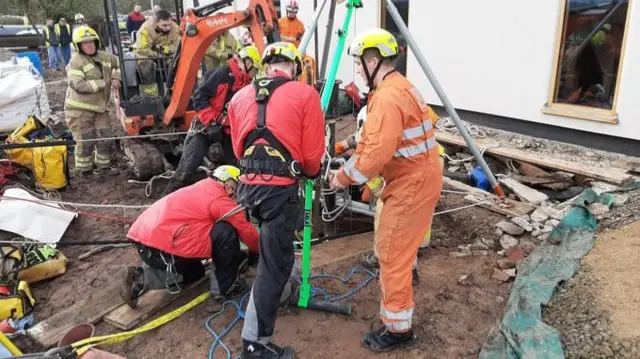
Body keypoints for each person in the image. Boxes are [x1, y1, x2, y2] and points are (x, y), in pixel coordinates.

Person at [329, 28, 443, 352]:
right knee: (401, 249)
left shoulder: (386, 97)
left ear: (373, 60)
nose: (356, 70)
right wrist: (349, 147)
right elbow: (379, 139)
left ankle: (397, 329)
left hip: (411, 182)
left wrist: (341, 177)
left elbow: (374, 157)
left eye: (357, 62)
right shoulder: (402, 87)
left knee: (391, 253)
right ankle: (406, 287)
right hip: (422, 174)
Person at [228, 42, 324, 358]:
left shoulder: (240, 97)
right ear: (293, 68)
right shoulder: (305, 94)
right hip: (279, 192)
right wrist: (309, 172)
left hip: (249, 190)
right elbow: (311, 158)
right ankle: (255, 344)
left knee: (271, 258)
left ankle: (260, 323)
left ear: (266, 67)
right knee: (275, 264)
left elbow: (239, 151)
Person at [123, 166, 259, 310]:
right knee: (226, 231)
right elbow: (247, 231)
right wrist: (259, 250)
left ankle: (141, 278)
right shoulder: (219, 199)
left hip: (147, 246)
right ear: (229, 186)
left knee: (197, 272)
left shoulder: (202, 187)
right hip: (164, 252)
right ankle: (225, 288)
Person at [161, 46, 263, 197]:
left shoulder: (246, 85)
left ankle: (240, 203)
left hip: (227, 130)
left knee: (239, 167)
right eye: (255, 69)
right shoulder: (220, 75)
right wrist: (212, 122)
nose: (255, 73)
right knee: (188, 168)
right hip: (205, 127)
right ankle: (165, 201)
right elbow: (199, 98)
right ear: (247, 63)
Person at [64, 26, 121, 176]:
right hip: (79, 111)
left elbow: (118, 65)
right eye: (85, 43)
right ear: (78, 46)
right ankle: (85, 171)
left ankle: (104, 168)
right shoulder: (75, 62)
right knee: (86, 141)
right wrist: (104, 82)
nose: (89, 45)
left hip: (100, 109)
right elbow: (79, 85)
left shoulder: (105, 57)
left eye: (92, 42)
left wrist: (115, 77)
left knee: (106, 137)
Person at [134, 10, 180, 96]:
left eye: (169, 24)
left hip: (166, 53)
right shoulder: (145, 29)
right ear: (156, 22)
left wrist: (162, 50)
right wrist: (157, 55)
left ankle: (174, 92)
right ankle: (150, 96)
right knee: (146, 66)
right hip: (147, 54)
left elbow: (176, 47)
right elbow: (142, 49)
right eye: (164, 25)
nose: (168, 28)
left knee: (177, 63)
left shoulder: (175, 28)